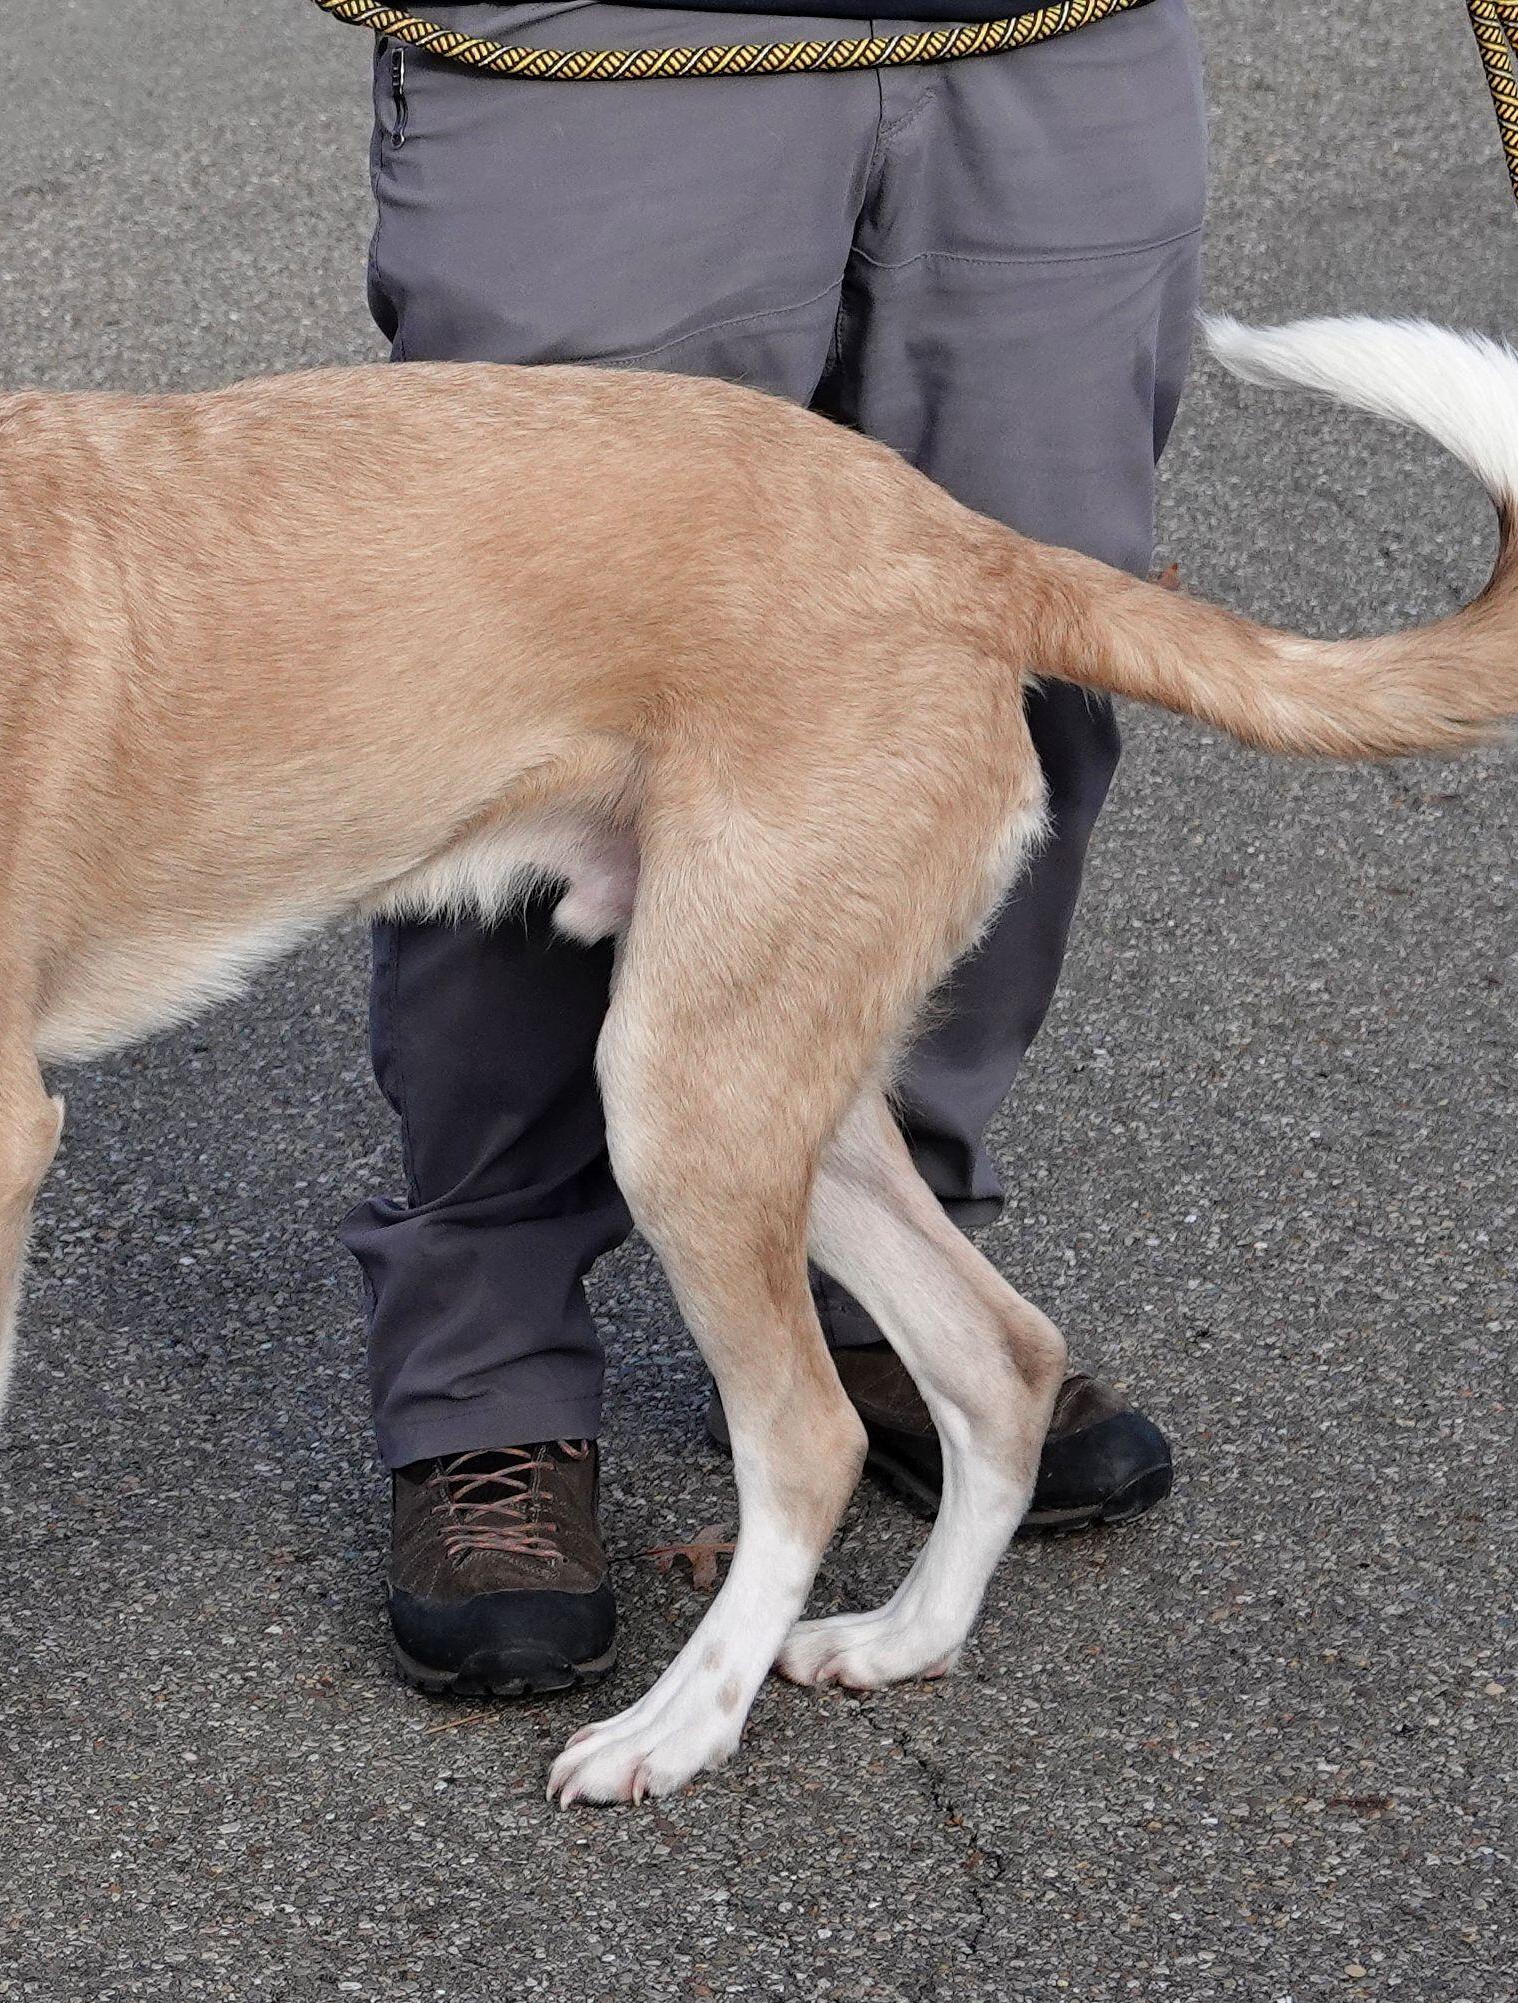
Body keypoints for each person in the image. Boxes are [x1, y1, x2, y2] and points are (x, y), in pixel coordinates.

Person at [341, 0, 1196, 1695]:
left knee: (998, 680)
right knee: (488, 693)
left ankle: (883, 1274)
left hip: (1049, 37)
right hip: (596, 39)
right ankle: (489, 1384)